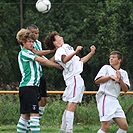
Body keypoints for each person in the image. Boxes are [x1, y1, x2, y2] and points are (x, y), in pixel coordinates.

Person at [44, 31, 96, 133]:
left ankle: (63, 130)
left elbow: (80, 61)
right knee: (72, 104)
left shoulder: (66, 47)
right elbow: (64, 60)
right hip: (74, 79)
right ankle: (68, 130)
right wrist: (75, 51)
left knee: (71, 104)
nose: (61, 37)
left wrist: (91, 53)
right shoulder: (59, 51)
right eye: (58, 37)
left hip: (76, 78)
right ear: (54, 42)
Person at [16, 28, 62, 133]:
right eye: (29, 42)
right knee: (34, 115)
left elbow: (45, 60)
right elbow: (42, 60)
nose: (32, 44)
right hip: (28, 87)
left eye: (33, 42)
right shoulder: (24, 53)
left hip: (31, 87)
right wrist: (58, 66)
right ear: (23, 42)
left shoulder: (29, 52)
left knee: (25, 116)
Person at [94, 51, 130, 133]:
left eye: (113, 57)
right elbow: (97, 80)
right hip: (105, 97)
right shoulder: (106, 68)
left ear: (119, 60)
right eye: (110, 57)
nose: (111, 59)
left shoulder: (123, 73)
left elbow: (125, 89)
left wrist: (120, 79)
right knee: (105, 126)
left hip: (114, 99)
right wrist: (110, 77)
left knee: (124, 126)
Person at [27, 24, 54, 119]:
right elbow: (37, 53)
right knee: (35, 102)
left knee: (44, 100)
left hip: (40, 75)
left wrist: (54, 60)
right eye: (33, 33)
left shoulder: (38, 43)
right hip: (32, 77)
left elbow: (42, 58)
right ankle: (32, 121)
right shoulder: (27, 44)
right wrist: (52, 50)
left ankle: (36, 120)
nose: (35, 35)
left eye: (37, 33)